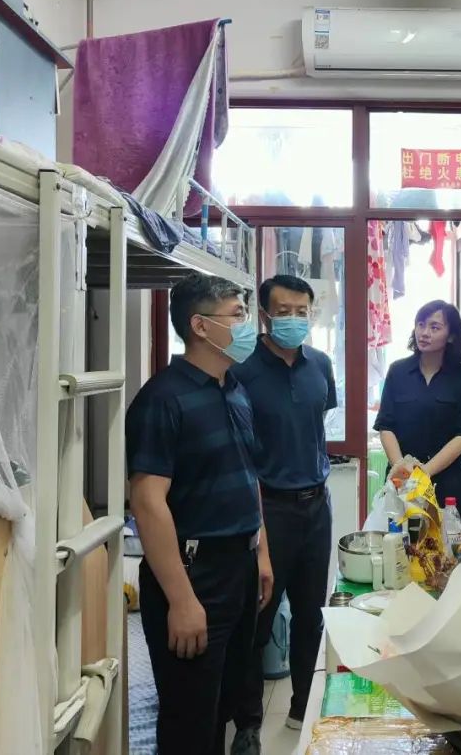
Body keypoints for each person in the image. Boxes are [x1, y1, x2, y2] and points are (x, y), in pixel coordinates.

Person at [125, 273, 272, 755]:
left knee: (222, 705)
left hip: (240, 567)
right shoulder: (162, 399)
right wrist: (182, 600)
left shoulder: (234, 388)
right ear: (201, 326)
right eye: (238, 315)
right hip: (194, 573)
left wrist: (261, 554)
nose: (248, 326)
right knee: (189, 719)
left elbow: (248, 476)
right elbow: (148, 502)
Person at [232, 274, 337, 747]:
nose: (294, 319)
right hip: (267, 509)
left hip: (316, 506)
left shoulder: (321, 365)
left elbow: (315, 424)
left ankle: (302, 707)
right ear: (264, 316)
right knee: (259, 617)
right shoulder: (242, 370)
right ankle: (248, 723)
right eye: (284, 311)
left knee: (312, 615)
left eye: (302, 311)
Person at [375, 301, 461, 523]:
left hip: (448, 481)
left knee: (449, 541)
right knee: (399, 539)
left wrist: (424, 473)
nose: (424, 332)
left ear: (451, 336)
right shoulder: (398, 371)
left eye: (434, 327)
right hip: (401, 479)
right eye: (420, 324)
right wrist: (402, 468)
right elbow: (386, 425)